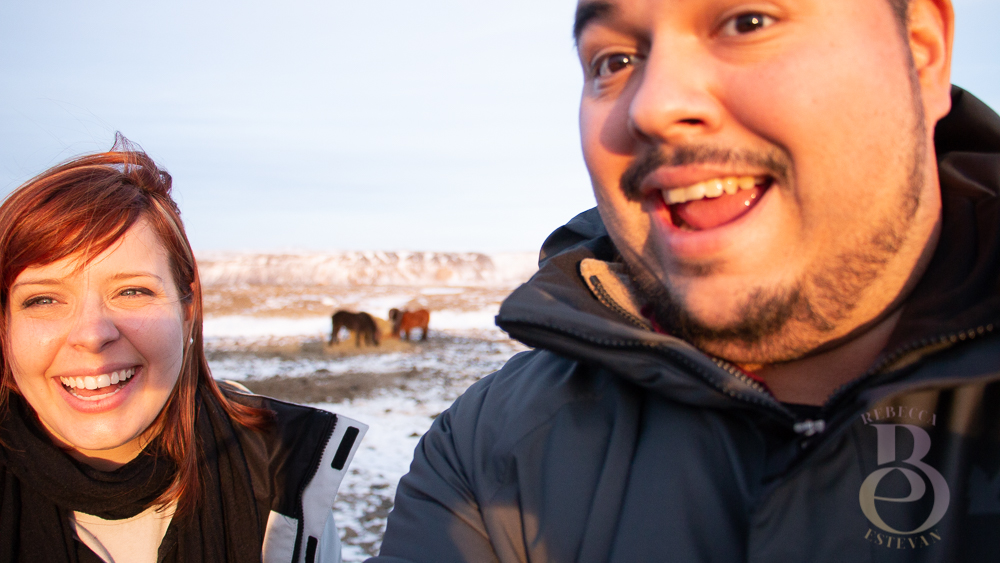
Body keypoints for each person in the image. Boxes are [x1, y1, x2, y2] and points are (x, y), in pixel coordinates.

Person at [374, 0, 1000, 560]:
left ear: (921, 51)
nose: (653, 107)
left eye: (747, 22)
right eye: (614, 61)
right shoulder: (495, 451)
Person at [0, 138, 367, 563]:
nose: (92, 335)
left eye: (132, 291)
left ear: (187, 311)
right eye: (43, 299)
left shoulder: (281, 485)